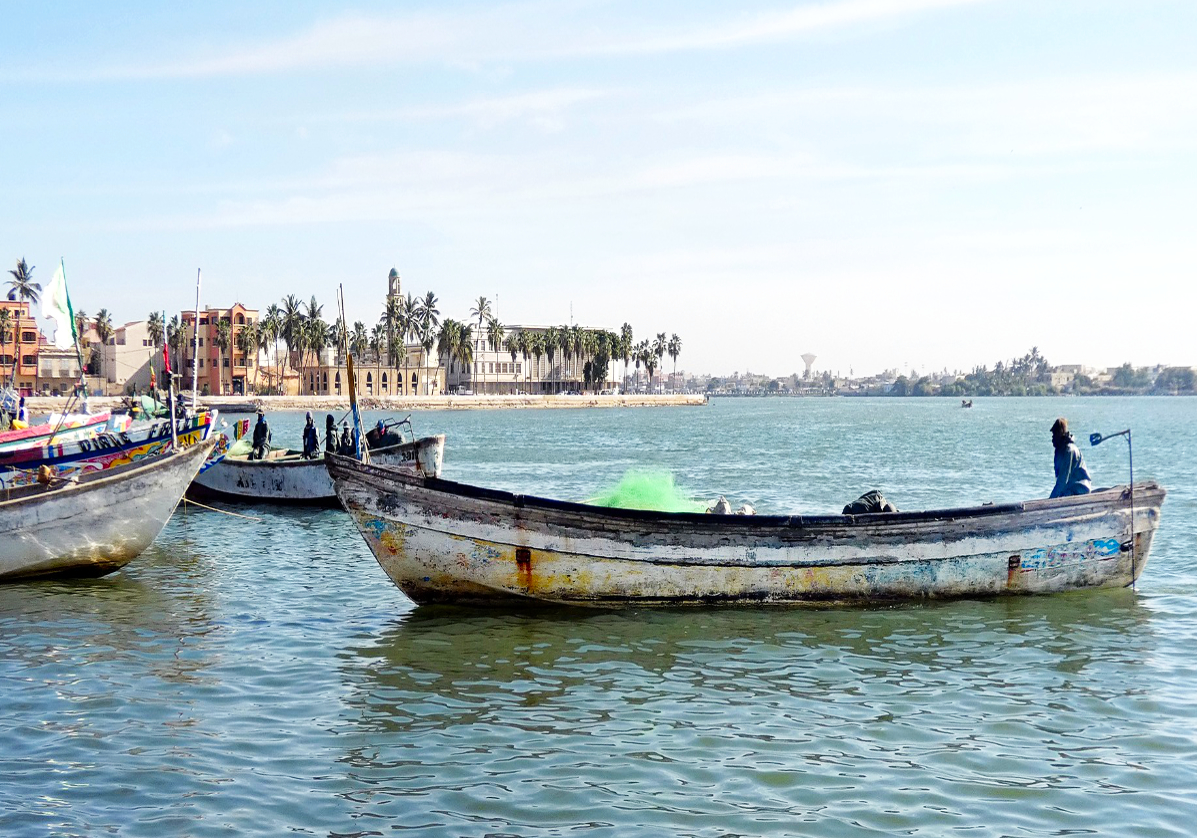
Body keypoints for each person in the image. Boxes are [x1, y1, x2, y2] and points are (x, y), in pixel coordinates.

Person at [1050, 417, 1092, 498]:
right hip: (1070, 487)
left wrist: (1049, 501)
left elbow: (1062, 480)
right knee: (1062, 493)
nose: (1052, 438)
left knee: (1064, 493)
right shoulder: (1060, 450)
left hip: (1080, 487)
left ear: (1060, 433)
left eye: (1054, 434)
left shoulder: (1069, 451)